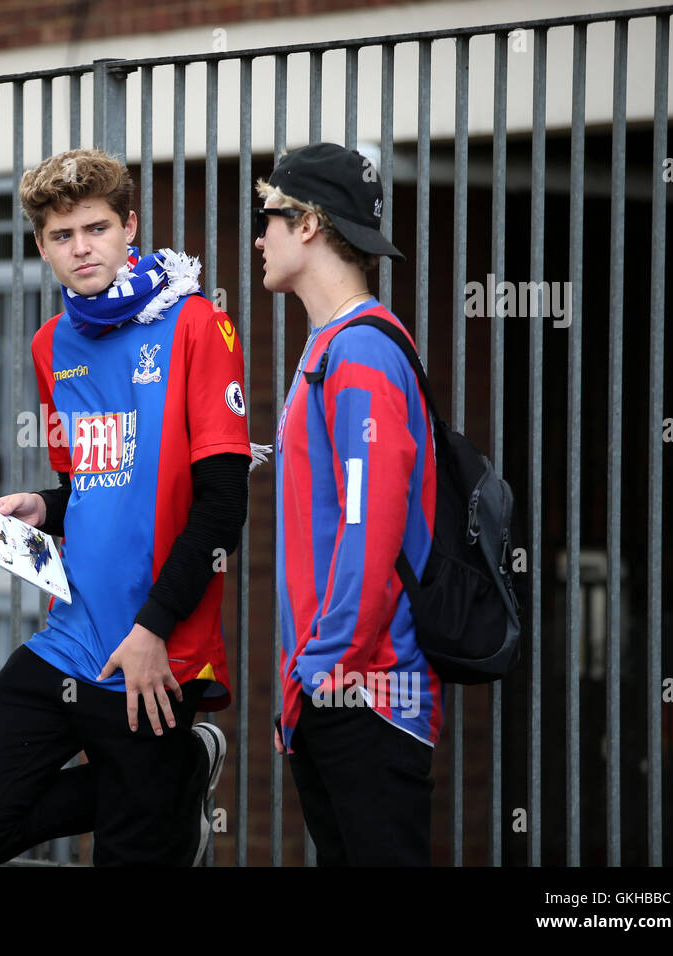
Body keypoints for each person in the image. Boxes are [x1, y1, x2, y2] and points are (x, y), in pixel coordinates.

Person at [0, 147, 252, 866]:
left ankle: (169, 777)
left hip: (156, 657)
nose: (81, 248)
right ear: (42, 246)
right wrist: (46, 508)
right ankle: (179, 777)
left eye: (97, 228)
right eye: (61, 235)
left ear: (130, 226)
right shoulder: (51, 346)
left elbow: (222, 505)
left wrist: (153, 629)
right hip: (70, 639)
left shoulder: (199, 326)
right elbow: (92, 483)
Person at [257, 142, 442, 865]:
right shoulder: (330, 346)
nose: (258, 236)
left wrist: (316, 670)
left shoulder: (360, 355)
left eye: (268, 216)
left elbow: (371, 529)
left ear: (308, 224)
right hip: (335, 688)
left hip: (363, 691)